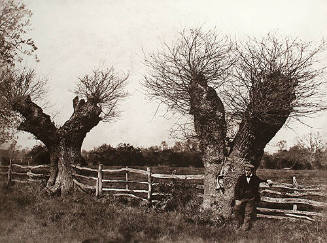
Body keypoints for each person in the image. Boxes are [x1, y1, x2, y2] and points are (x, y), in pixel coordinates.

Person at [234, 162, 272, 231]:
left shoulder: (255, 178)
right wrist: (237, 199)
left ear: (251, 171)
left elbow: (261, 180)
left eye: (248, 170)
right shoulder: (241, 178)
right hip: (242, 198)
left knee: (248, 213)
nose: (247, 172)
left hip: (251, 198)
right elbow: (236, 188)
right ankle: (239, 223)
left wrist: (267, 180)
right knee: (237, 210)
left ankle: (244, 228)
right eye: (246, 170)